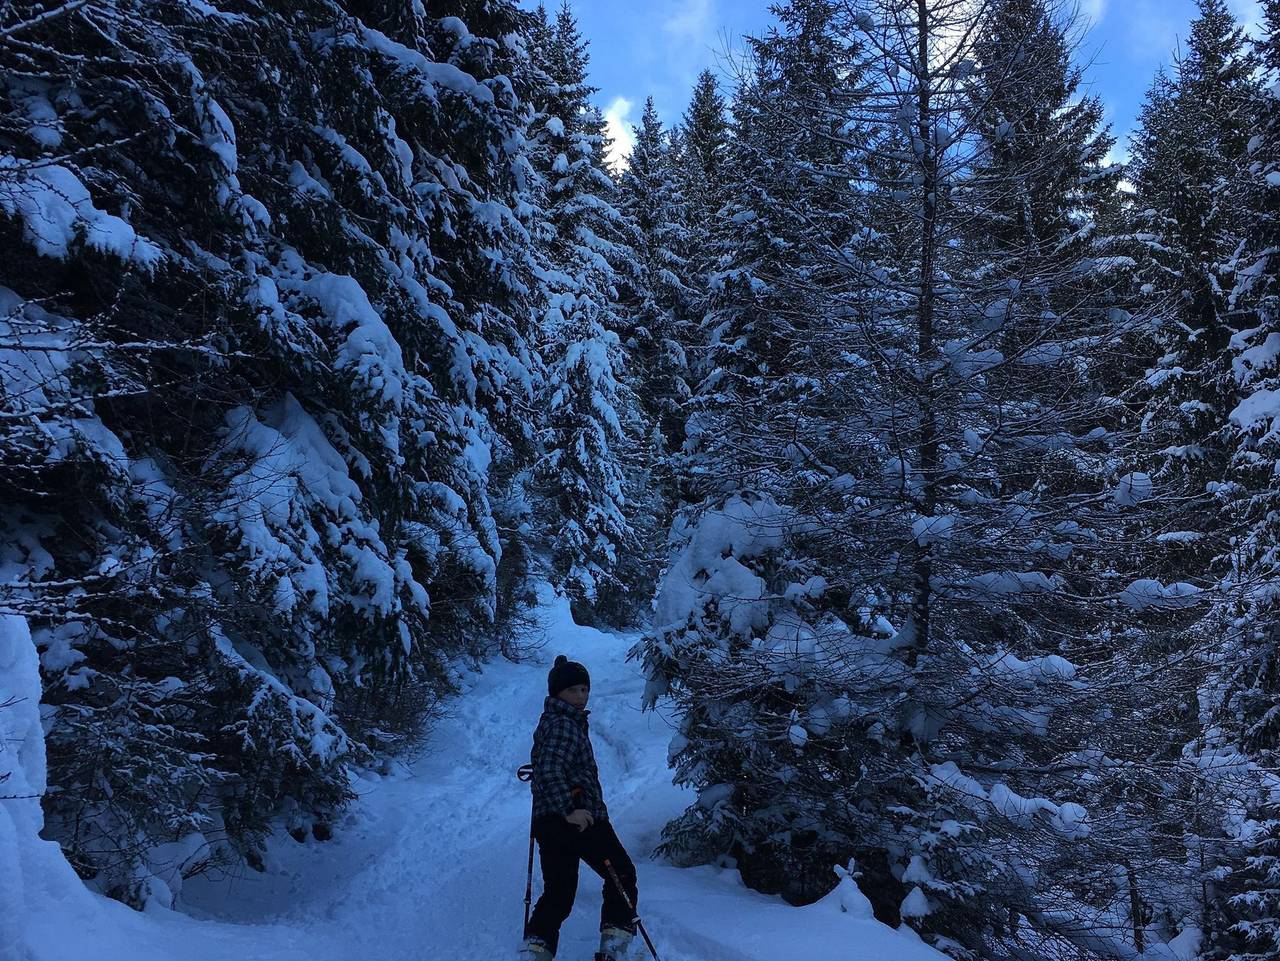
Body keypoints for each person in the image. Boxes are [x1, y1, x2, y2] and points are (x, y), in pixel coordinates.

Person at [519, 655, 638, 961]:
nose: (581, 696)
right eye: (573, 690)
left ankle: (535, 951)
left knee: (559, 893)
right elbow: (548, 768)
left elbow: (546, 768)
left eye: (584, 689)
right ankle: (616, 948)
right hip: (578, 817)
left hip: (551, 821)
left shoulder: (556, 722)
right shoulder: (563, 724)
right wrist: (570, 809)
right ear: (557, 693)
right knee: (621, 874)